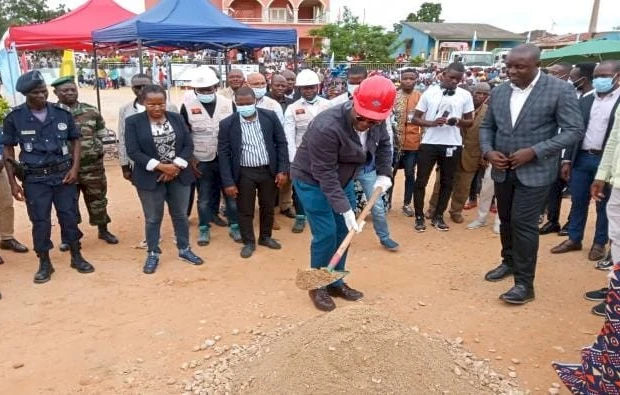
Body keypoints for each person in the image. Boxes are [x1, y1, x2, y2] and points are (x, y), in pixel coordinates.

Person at [480, 44, 584, 304]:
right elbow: (487, 126)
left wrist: (535, 151)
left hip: (535, 171)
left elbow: (573, 130)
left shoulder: (560, 90)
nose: (511, 71)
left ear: (537, 65)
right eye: (509, 66)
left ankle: (525, 284)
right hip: (502, 169)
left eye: (519, 67)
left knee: (524, 225)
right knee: (505, 220)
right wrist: (488, 152)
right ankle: (509, 262)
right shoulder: (501, 91)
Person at [291, 76, 395, 312]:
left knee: (344, 231)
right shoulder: (326, 126)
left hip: (344, 178)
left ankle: (335, 281)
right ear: (353, 101)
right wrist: (345, 208)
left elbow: (386, 145)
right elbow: (324, 173)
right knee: (326, 233)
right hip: (312, 180)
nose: (366, 124)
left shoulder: (377, 121)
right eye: (362, 117)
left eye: (373, 121)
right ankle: (317, 285)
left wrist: (384, 174)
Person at [2, 70, 95, 283]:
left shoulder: (61, 113)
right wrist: (13, 183)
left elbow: (76, 140)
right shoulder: (15, 118)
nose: (42, 96)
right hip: (35, 180)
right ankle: (44, 262)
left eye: (44, 91)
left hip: (64, 176)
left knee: (69, 217)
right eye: (36, 93)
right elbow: (8, 150)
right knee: (40, 221)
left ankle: (76, 255)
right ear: (27, 94)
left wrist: (74, 169)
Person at [125, 85, 203, 274]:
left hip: (179, 174)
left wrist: (174, 166)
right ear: (144, 103)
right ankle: (153, 252)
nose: (157, 108)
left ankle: (184, 249)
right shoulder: (133, 122)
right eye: (151, 104)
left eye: (161, 103)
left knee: (180, 215)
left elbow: (188, 144)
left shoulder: (176, 118)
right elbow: (133, 151)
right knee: (153, 218)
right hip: (149, 178)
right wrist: (161, 167)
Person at [551, 61, 620, 261]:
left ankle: (599, 243)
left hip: (606, 160)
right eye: (597, 76)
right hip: (581, 158)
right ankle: (574, 238)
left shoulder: (618, 103)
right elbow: (573, 131)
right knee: (578, 199)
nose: (600, 80)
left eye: (605, 76)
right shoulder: (586, 100)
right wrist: (566, 160)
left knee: (604, 204)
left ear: (617, 76)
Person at [218, 87, 289, 259]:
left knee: (268, 206)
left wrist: (283, 170)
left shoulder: (269, 117)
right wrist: (228, 182)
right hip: (244, 173)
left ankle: (265, 237)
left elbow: (281, 143)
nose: (245, 107)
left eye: (249, 103)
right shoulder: (227, 123)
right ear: (236, 103)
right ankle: (248, 242)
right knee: (245, 210)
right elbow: (224, 153)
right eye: (241, 104)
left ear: (255, 101)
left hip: (268, 171)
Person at [51, 76, 118, 250]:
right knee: (68, 205)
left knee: (98, 200)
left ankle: (103, 230)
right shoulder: (51, 114)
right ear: (55, 93)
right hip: (65, 169)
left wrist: (97, 151)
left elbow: (102, 134)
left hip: (92, 167)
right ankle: (69, 237)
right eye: (65, 90)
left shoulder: (91, 111)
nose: (70, 93)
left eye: (72, 89)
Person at [179, 68, 240, 246]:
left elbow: (236, 132)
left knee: (231, 195)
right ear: (195, 90)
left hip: (226, 159)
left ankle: (234, 227)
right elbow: (184, 135)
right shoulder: (188, 107)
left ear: (215, 86)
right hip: (201, 159)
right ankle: (204, 229)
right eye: (201, 90)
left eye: (209, 89)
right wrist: (190, 157)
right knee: (204, 197)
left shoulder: (228, 104)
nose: (206, 93)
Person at [411, 62, 475, 232]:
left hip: (453, 144)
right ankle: (419, 216)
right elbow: (415, 119)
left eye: (458, 79)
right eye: (451, 77)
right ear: (443, 74)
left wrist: (458, 121)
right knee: (421, 181)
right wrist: (431, 123)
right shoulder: (429, 93)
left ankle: (439, 216)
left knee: (447, 182)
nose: (454, 81)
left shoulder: (465, 95)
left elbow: (470, 121)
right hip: (429, 143)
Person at [118, 73, 178, 249]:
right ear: (132, 88)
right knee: (151, 208)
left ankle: (178, 234)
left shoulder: (171, 107)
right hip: (142, 167)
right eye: (137, 87)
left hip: (172, 167)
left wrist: (172, 167)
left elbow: (179, 136)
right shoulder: (126, 110)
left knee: (176, 206)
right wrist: (124, 165)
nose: (141, 90)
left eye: (145, 85)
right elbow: (123, 137)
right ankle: (153, 238)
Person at [428, 83, 491, 223]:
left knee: (463, 187)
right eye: (478, 93)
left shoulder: (488, 112)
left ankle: (456, 211)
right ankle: (433, 208)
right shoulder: (457, 106)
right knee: (441, 183)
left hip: (471, 155)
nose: (480, 96)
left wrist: (484, 156)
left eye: (484, 94)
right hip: (449, 152)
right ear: (472, 93)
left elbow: (487, 135)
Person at [284, 69, 332, 233]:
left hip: (326, 155)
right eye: (305, 88)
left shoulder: (328, 105)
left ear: (317, 87)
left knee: (325, 184)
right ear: (300, 89)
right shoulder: (292, 108)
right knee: (301, 188)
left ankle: (324, 214)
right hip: (302, 156)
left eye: (311, 87)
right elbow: (289, 135)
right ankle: (300, 217)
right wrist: (293, 159)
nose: (309, 90)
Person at [391, 68, 422, 217]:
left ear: (416, 80)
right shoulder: (393, 97)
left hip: (413, 143)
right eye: (405, 78)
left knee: (410, 173)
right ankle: (387, 202)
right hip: (394, 144)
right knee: (390, 174)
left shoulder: (420, 97)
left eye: (411, 78)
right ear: (400, 79)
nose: (408, 81)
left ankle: (407, 203)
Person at [267, 74, 296, 220]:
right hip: (269, 145)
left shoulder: (292, 103)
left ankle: (285, 205)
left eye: (283, 85)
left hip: (286, 144)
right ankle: (270, 207)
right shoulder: (263, 101)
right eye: (277, 85)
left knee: (287, 176)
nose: (280, 88)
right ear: (270, 84)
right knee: (270, 178)